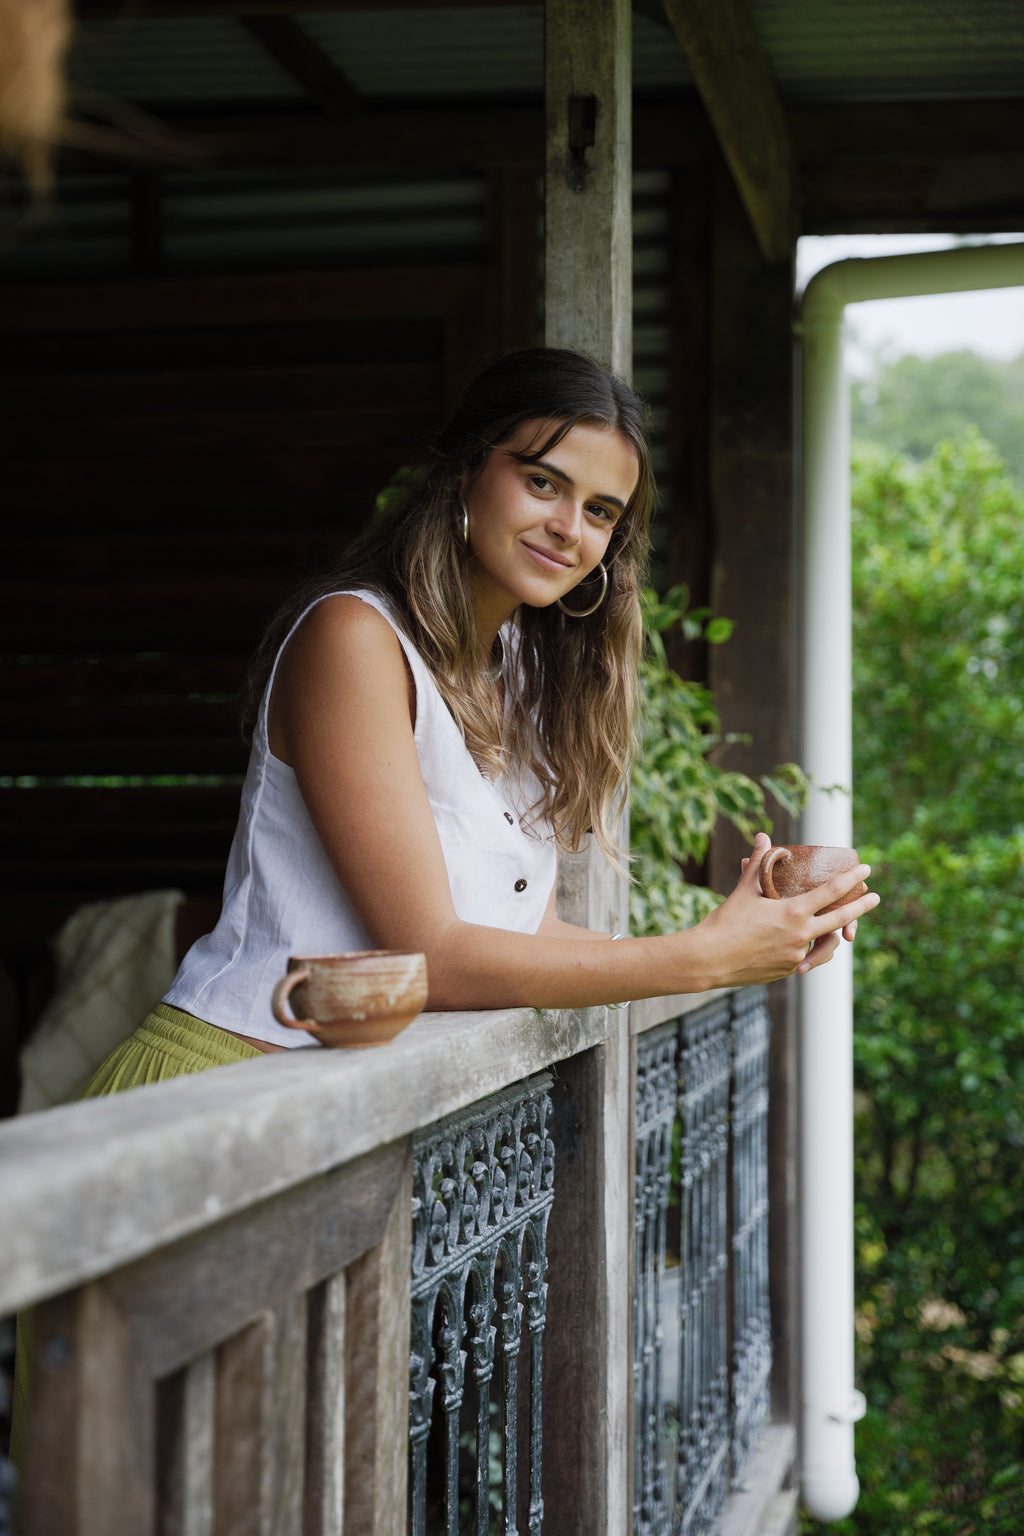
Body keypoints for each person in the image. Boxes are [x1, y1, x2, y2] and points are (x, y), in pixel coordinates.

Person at [83, 345, 879, 1088]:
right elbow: (433, 953)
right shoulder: (354, 640)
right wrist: (700, 959)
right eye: (543, 482)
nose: (571, 528)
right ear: (467, 471)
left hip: (347, 1115)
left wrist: (742, 935)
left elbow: (519, 934)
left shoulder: (526, 675)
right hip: (225, 1084)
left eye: (602, 511)